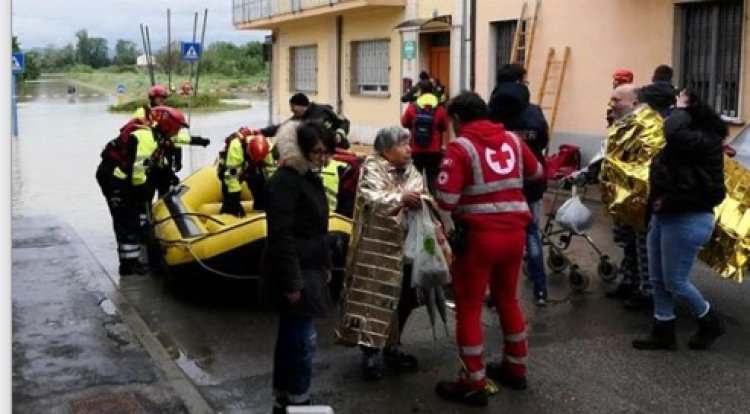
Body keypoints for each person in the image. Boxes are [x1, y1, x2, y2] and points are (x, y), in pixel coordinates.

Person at [434, 92, 543, 407]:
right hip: (515, 234)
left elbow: (447, 200)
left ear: (456, 119)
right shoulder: (511, 138)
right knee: (507, 299)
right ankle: (515, 367)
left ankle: (473, 381)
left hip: (480, 238)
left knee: (468, 308)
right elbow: (536, 172)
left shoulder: (460, 147)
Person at [335, 126, 433, 380]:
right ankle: (369, 351)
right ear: (386, 150)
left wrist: (418, 199)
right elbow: (373, 198)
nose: (409, 149)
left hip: (407, 249)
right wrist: (401, 198)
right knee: (372, 300)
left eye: (409, 143)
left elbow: (423, 194)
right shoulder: (371, 168)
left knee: (405, 298)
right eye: (403, 144)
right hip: (376, 249)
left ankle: (393, 344)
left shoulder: (411, 169)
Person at [632, 89, 727, 351]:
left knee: (675, 281)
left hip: (688, 217)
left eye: (680, 102)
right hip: (665, 215)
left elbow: (672, 131)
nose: (673, 108)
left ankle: (709, 321)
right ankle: (663, 329)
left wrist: (682, 108)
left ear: (691, 110)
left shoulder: (704, 140)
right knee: (658, 278)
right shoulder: (684, 140)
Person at [260, 120, 336, 413]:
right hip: (296, 269)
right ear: (302, 150)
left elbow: (318, 227)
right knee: (303, 340)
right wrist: (292, 282)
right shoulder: (285, 181)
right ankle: (298, 398)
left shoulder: (308, 177)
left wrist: (326, 262)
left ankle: (285, 394)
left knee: (293, 336)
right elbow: (280, 234)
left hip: (310, 266)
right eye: (317, 152)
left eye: (326, 151)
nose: (323, 158)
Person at [96, 106, 189, 276]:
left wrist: (199, 141)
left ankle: (133, 260)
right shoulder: (146, 138)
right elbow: (139, 172)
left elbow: (177, 141)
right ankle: (128, 267)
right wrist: (142, 190)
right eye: (177, 128)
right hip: (114, 179)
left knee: (136, 215)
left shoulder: (155, 133)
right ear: (169, 126)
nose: (178, 131)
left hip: (122, 177)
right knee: (126, 219)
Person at [488, 63, 551, 306]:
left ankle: (496, 294)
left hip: (498, 182)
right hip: (529, 182)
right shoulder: (534, 112)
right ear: (519, 81)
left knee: (497, 238)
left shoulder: (490, 112)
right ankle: (540, 291)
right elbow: (544, 140)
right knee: (532, 234)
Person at [599, 84, 665, 310]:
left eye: (617, 100)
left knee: (643, 246)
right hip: (624, 199)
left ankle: (647, 293)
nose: (612, 104)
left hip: (641, 201)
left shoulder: (648, 127)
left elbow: (646, 166)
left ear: (634, 103)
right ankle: (629, 282)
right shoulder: (624, 126)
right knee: (629, 244)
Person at [133, 85, 211, 199]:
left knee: (166, 189)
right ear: (152, 98)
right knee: (146, 193)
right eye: (159, 98)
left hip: (162, 160)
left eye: (163, 98)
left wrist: (195, 141)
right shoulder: (143, 112)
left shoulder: (165, 113)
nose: (162, 101)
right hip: (148, 162)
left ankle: (162, 212)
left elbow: (173, 137)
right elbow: (142, 133)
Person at [401, 80, 449, 194]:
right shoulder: (439, 109)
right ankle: (434, 204)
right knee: (433, 178)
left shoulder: (413, 107)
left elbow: (404, 122)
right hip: (434, 151)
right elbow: (445, 126)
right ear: (432, 91)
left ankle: (417, 204)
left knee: (415, 179)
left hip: (416, 149)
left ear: (420, 92)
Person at [261, 92, 352, 150]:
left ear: (303, 105)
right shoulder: (297, 119)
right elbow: (281, 128)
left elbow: (344, 122)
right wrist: (261, 132)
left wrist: (339, 134)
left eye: (294, 108)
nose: (292, 111)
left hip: (340, 149)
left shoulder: (324, 111)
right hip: (323, 152)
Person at [217, 128, 273, 216]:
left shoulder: (267, 147)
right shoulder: (236, 146)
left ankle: (260, 207)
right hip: (231, 166)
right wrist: (235, 200)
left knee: (261, 182)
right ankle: (229, 210)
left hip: (252, 167)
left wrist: (272, 190)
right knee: (229, 195)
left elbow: (271, 170)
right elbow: (232, 176)